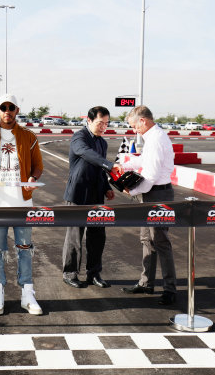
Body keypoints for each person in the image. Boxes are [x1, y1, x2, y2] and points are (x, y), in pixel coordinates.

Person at [0, 94, 44, 315]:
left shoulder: (29, 137)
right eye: (3, 107)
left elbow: (38, 166)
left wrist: (33, 179)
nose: (7, 111)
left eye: (11, 107)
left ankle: (27, 294)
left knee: (24, 248)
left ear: (17, 110)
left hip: (23, 202)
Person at [119, 105, 177, 305]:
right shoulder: (152, 137)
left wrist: (132, 191)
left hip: (157, 194)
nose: (134, 130)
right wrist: (124, 165)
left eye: (134, 126)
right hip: (152, 193)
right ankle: (146, 283)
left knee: (160, 241)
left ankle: (170, 289)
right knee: (147, 239)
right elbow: (144, 160)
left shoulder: (156, 139)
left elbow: (151, 175)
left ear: (143, 121)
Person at [62, 106, 117, 289]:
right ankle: (70, 273)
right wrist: (109, 164)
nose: (103, 127)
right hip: (77, 194)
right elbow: (85, 153)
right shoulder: (79, 137)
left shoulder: (102, 142)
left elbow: (99, 168)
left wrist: (107, 187)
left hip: (96, 194)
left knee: (97, 236)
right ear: (89, 120)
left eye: (106, 124)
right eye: (100, 123)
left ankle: (94, 273)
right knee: (74, 237)